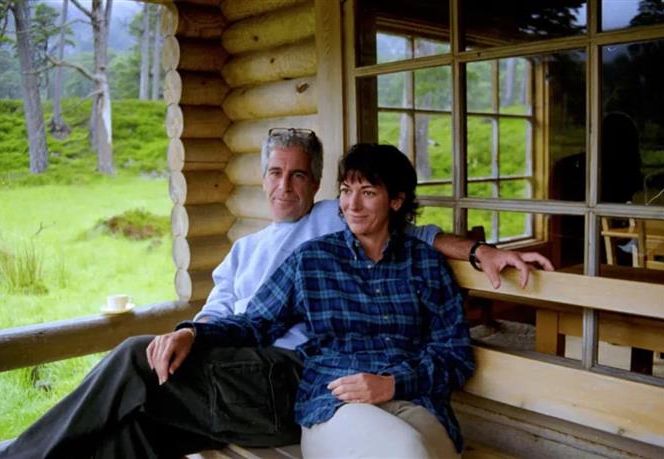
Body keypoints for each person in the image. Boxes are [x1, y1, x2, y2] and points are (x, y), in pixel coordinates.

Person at [0, 129, 552, 459]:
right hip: (279, 378)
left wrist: (480, 252)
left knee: (134, 366)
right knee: (143, 414)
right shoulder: (267, 253)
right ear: (262, 177)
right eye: (275, 173)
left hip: (297, 376)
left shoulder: (340, 223)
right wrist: (192, 332)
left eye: (299, 175)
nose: (286, 185)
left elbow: (423, 243)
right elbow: (244, 318)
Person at [175, 143, 473, 458]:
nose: (352, 205)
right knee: (410, 452)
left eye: (368, 193)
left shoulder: (426, 264)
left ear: (396, 201)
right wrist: (194, 332)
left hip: (415, 399)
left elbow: (455, 356)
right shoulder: (312, 260)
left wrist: (394, 384)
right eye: (346, 191)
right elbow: (254, 323)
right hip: (337, 402)